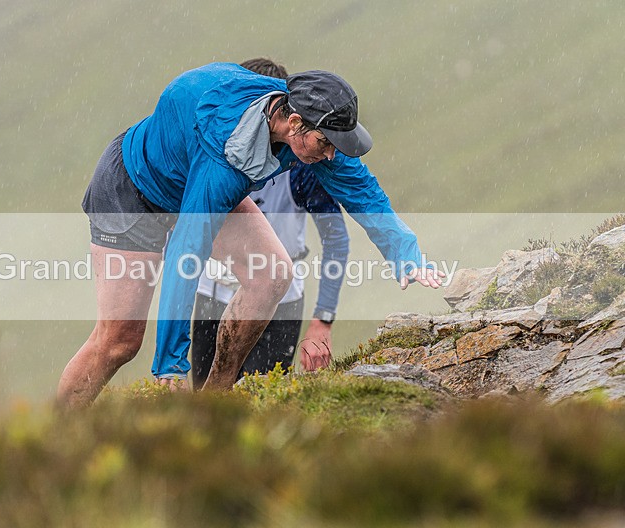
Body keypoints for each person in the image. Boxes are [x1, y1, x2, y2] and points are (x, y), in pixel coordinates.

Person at [58, 61, 444, 408]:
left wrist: (404, 252)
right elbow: (187, 252)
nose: (330, 155)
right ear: (294, 123)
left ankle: (214, 400)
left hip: (194, 181)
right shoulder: (225, 152)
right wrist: (171, 367)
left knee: (273, 273)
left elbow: (360, 189)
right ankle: (57, 437)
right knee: (120, 342)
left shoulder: (306, 130)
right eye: (325, 144)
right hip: (133, 192)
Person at [191, 58, 349, 390]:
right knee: (205, 408)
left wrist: (324, 319)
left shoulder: (303, 168)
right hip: (213, 294)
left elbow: (336, 238)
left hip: (280, 305)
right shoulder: (216, 153)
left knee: (258, 404)